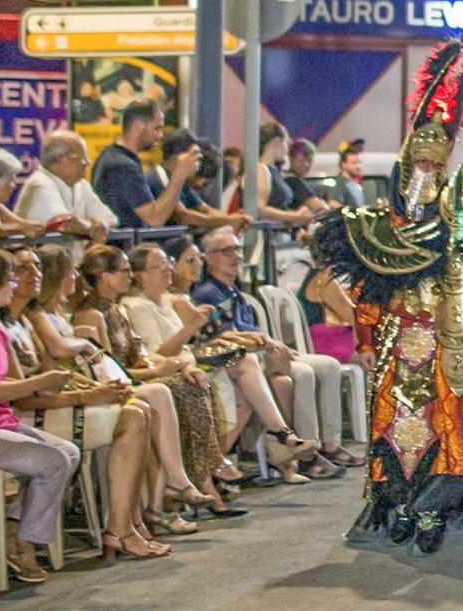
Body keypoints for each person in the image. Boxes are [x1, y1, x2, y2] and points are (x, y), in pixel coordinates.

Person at [315, 43, 463, 551]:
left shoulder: (461, 213)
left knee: (446, 422)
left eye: (434, 168)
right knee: (397, 423)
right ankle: (397, 501)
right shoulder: (382, 219)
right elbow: (372, 282)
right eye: (419, 163)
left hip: (443, 339)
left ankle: (436, 508)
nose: (424, 174)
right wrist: (365, 336)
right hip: (396, 337)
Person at [20, 245, 170, 560]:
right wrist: (89, 388)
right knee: (133, 414)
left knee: (138, 408)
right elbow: (54, 361)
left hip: (54, 400)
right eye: (70, 271)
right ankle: (121, 528)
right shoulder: (32, 316)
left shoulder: (44, 315)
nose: (77, 276)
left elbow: (59, 371)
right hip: (34, 411)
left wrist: (97, 387)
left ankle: (129, 521)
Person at [123, 242, 300, 490]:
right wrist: (191, 327)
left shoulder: (168, 300)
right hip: (177, 366)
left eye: (169, 262)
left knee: (246, 374)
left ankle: (231, 456)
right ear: (140, 274)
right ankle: (263, 442)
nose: (168, 268)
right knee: (245, 367)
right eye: (160, 264)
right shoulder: (137, 307)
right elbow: (157, 354)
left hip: (195, 360)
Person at [74, 245, 228, 518]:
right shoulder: (93, 315)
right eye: (124, 271)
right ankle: (184, 482)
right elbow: (111, 368)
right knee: (171, 389)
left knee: (191, 380)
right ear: (105, 277)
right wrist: (161, 370)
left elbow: (141, 354)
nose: (130, 276)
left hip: (137, 375)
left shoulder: (115, 309)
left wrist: (176, 366)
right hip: (118, 385)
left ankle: (192, 479)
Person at [192, 226, 356, 478]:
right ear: (208, 258)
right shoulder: (209, 293)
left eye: (237, 249)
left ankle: (329, 444)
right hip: (238, 358)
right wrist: (267, 344)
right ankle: (305, 453)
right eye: (227, 251)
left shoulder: (235, 291)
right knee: (299, 373)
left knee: (328, 365)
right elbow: (220, 338)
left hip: (260, 353)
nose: (236, 255)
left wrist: (270, 344)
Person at [0, 248, 81, 586]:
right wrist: (39, 383)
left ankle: (14, 529)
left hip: (3, 423)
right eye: (11, 277)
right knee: (52, 460)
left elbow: (12, 383)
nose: (15, 285)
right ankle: (24, 543)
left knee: (69, 452)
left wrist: (47, 385)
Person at [89, 100, 193, 230]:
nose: (160, 135)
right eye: (157, 128)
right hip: (122, 247)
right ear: (138, 126)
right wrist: (179, 174)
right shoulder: (122, 166)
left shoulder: (113, 156)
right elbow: (154, 218)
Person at [16, 131, 117, 239]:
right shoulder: (39, 183)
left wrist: (103, 225)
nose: (88, 162)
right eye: (82, 157)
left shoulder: (81, 185)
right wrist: (93, 228)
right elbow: (64, 223)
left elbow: (110, 218)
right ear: (63, 160)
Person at [0, 148, 46, 240]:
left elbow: (25, 225)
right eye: (10, 181)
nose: (13, 186)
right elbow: (20, 227)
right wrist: (19, 229)